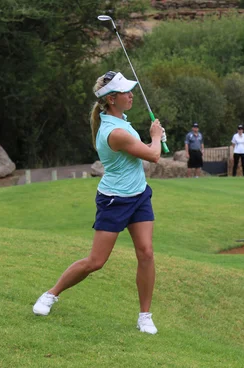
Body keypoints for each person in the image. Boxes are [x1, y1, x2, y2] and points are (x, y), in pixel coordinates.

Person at [32, 71, 165, 335]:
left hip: (139, 196)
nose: (131, 95)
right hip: (115, 200)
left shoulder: (121, 121)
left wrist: (153, 139)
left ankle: (145, 316)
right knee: (96, 261)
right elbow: (153, 157)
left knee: (147, 253)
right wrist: (157, 136)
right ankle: (51, 294)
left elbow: (146, 152)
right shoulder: (114, 132)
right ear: (112, 99)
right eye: (126, 92)